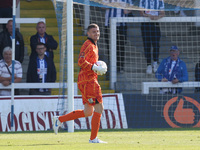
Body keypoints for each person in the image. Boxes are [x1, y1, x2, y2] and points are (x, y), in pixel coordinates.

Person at [53, 24, 107, 143]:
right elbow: (81, 61)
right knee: (99, 107)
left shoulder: (94, 45)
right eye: (93, 32)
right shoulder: (88, 44)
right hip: (89, 81)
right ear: (88, 33)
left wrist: (96, 67)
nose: (96, 33)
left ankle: (60, 119)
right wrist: (93, 67)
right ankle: (93, 139)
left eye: (97, 31)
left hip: (85, 80)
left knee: (88, 112)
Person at [104, 0, 133, 73]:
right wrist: (112, 4)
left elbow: (131, 7)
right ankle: (111, 66)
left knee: (121, 46)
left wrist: (128, 10)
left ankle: (120, 67)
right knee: (110, 46)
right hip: (109, 24)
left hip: (121, 25)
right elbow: (102, 6)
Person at [139, 0, 165, 74]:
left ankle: (155, 63)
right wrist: (149, 16)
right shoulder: (143, 1)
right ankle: (148, 65)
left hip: (155, 24)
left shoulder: (160, 1)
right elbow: (141, 12)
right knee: (147, 45)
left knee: (156, 44)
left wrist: (157, 17)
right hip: (145, 24)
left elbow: (162, 13)